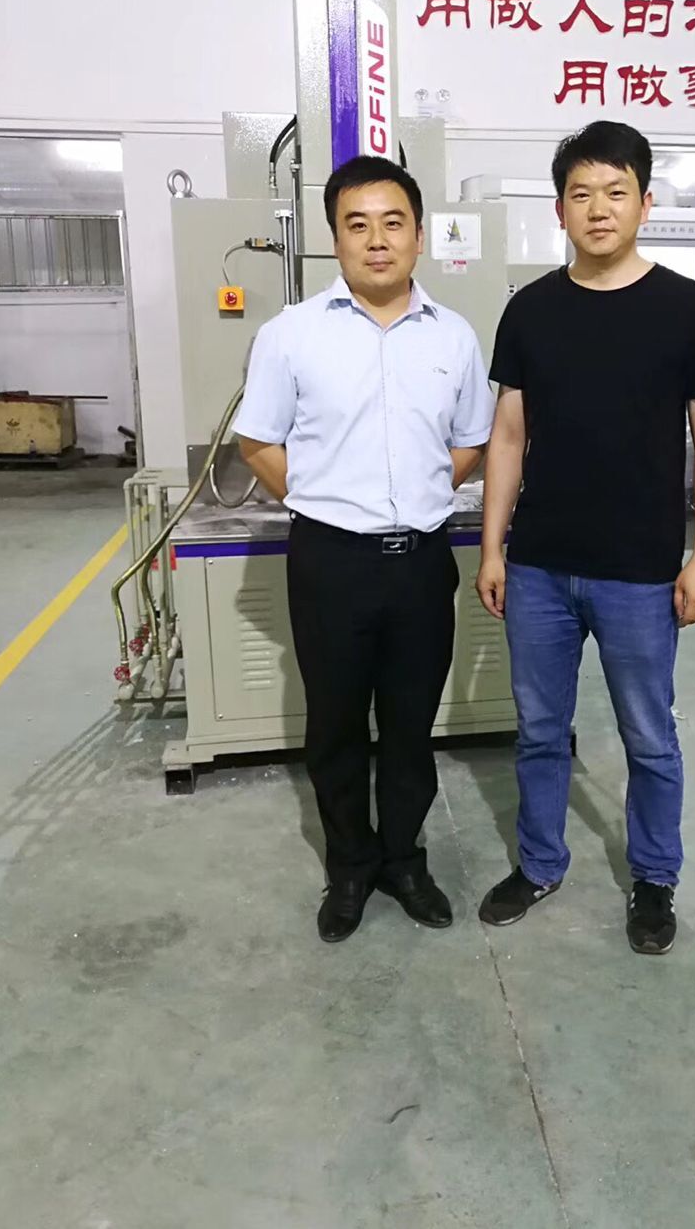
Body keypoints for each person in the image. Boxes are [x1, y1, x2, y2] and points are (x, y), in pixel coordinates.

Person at [475, 121, 695, 956]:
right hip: (540, 566)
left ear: (644, 203)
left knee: (648, 737)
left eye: (615, 192)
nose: (598, 208)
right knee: (539, 730)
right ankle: (539, 863)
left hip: (639, 571)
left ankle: (653, 878)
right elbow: (507, 435)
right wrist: (492, 547)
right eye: (580, 194)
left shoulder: (687, 310)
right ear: (559, 209)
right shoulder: (530, 310)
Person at [235, 155, 494, 944]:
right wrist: (323, 500)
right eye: (358, 224)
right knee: (337, 727)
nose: (376, 240)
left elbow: (470, 441)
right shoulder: (290, 335)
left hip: (420, 562)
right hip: (330, 563)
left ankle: (403, 861)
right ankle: (349, 867)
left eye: (392, 223)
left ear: (418, 235)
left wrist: (414, 496)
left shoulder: (453, 336)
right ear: (334, 238)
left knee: (411, 728)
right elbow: (257, 441)